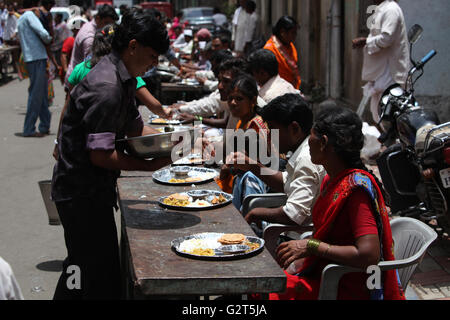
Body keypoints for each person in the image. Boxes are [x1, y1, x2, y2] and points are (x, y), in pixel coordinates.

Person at [51, 10, 172, 300]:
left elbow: (134, 128)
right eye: (153, 55)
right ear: (133, 46)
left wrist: (177, 143)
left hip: (96, 191)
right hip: (80, 193)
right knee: (84, 271)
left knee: (97, 270)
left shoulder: (126, 76)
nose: (155, 63)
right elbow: (101, 155)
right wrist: (152, 165)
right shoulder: (107, 87)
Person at [268, 105, 405, 300]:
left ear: (323, 142)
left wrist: (311, 246)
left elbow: (369, 254)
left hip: (342, 286)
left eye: (312, 137)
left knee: (261, 293)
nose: (308, 143)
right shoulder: (330, 180)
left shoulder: (355, 191)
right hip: (322, 273)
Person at [227, 94, 325, 226]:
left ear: (294, 129)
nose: (269, 135)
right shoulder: (301, 152)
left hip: (291, 237)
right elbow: (286, 182)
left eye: (273, 129)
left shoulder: (306, 159)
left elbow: (293, 214)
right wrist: (251, 165)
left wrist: (256, 212)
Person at [352, 0, 410, 124]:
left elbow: (387, 38)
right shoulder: (381, 9)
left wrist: (366, 41)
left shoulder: (391, 10)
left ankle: (393, 141)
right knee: (377, 112)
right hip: (380, 71)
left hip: (389, 71)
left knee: (388, 113)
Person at [215, 74, 269, 193]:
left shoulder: (257, 125)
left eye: (239, 99)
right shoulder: (241, 121)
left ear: (253, 100)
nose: (233, 103)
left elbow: (259, 166)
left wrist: (229, 168)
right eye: (230, 98)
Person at [17, 0, 52, 137]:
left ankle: (44, 124)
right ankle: (29, 128)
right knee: (36, 95)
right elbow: (42, 32)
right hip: (36, 57)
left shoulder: (21, 19)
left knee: (41, 93)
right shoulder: (29, 16)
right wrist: (49, 39)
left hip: (31, 57)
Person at [64, 4, 118, 87]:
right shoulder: (89, 37)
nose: (109, 28)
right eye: (106, 23)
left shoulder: (92, 26)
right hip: (79, 81)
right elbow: (91, 65)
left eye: (111, 25)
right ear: (97, 18)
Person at [264, 16, 301, 90]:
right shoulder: (269, 49)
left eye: (295, 33)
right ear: (282, 32)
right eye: (293, 33)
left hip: (290, 89)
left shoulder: (290, 46)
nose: (295, 36)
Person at [59, 16, 87, 85]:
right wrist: (66, 70)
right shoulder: (70, 40)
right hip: (73, 72)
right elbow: (63, 55)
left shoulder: (83, 40)